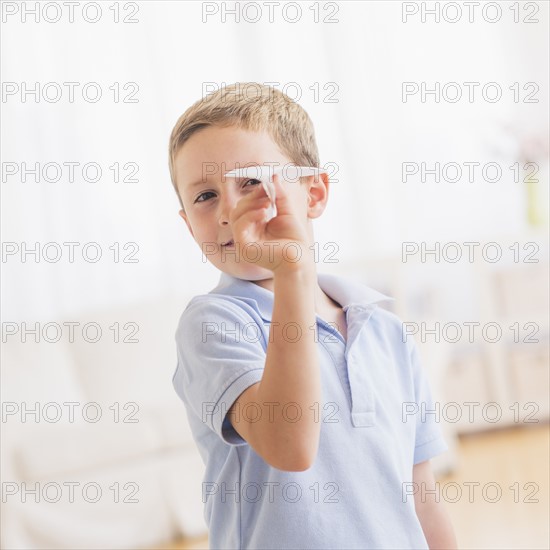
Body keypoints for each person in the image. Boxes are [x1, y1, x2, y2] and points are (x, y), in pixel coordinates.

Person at [169, 82, 457, 549]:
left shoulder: (385, 331)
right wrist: (293, 269)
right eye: (204, 196)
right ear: (186, 221)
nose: (228, 211)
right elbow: (290, 445)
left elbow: (420, 491)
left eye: (251, 182)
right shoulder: (212, 323)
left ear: (315, 193)